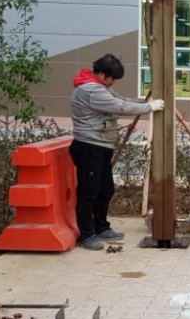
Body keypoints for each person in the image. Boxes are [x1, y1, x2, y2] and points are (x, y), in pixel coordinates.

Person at [70, 54, 165, 250]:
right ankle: (87, 235)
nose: (114, 82)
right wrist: (149, 107)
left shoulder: (100, 87)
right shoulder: (91, 90)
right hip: (90, 147)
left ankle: (101, 227)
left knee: (105, 190)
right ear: (102, 74)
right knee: (88, 193)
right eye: (112, 78)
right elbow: (120, 106)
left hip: (101, 146)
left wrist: (145, 103)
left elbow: (122, 100)